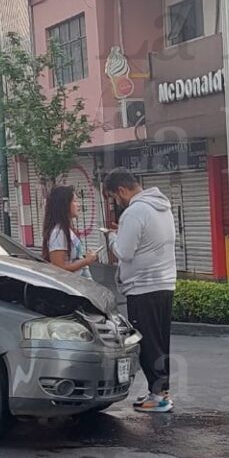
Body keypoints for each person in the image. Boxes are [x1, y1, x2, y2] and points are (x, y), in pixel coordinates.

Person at [102, 169, 177, 413]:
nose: (117, 202)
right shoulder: (162, 207)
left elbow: (124, 252)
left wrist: (112, 236)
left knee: (147, 344)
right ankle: (161, 392)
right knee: (160, 342)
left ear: (121, 190)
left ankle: (159, 397)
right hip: (164, 284)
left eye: (115, 197)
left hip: (143, 287)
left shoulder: (135, 211)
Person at [42, 185, 98, 278]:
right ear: (64, 205)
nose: (78, 205)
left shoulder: (67, 229)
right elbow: (59, 268)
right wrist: (86, 261)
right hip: (72, 283)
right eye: (75, 201)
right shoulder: (58, 233)